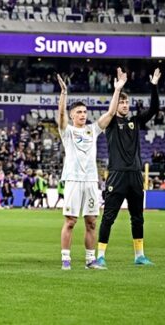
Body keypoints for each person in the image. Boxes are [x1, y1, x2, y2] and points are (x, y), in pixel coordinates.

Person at [95, 66, 158, 267]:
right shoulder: (111, 122)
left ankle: (139, 255)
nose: (124, 105)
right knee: (109, 217)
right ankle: (101, 255)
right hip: (116, 174)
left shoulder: (135, 120)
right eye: (121, 102)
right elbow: (111, 111)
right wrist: (117, 90)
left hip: (135, 175)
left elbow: (154, 109)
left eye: (126, 102)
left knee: (137, 218)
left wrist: (154, 86)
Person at [55, 74, 105, 270]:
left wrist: (117, 90)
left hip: (91, 181)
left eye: (85, 111)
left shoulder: (93, 130)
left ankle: (90, 261)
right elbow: (60, 116)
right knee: (70, 221)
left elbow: (109, 115)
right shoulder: (66, 131)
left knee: (91, 221)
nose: (83, 115)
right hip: (74, 180)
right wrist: (64, 93)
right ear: (72, 115)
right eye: (79, 112)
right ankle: (66, 260)